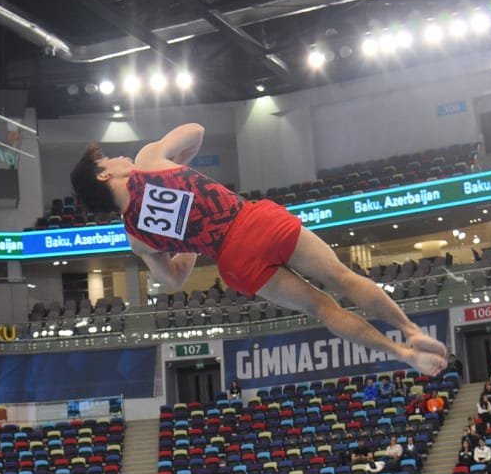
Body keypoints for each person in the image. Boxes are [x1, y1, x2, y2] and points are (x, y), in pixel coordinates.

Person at [70, 125, 447, 377]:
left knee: (322, 308)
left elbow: (172, 278)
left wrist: (191, 241)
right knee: (343, 279)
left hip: (235, 261)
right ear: (104, 175)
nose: (119, 158)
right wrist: (177, 168)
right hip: (254, 222)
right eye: (109, 160)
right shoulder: (150, 160)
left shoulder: (137, 237)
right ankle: (410, 331)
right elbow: (195, 131)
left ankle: (403, 356)